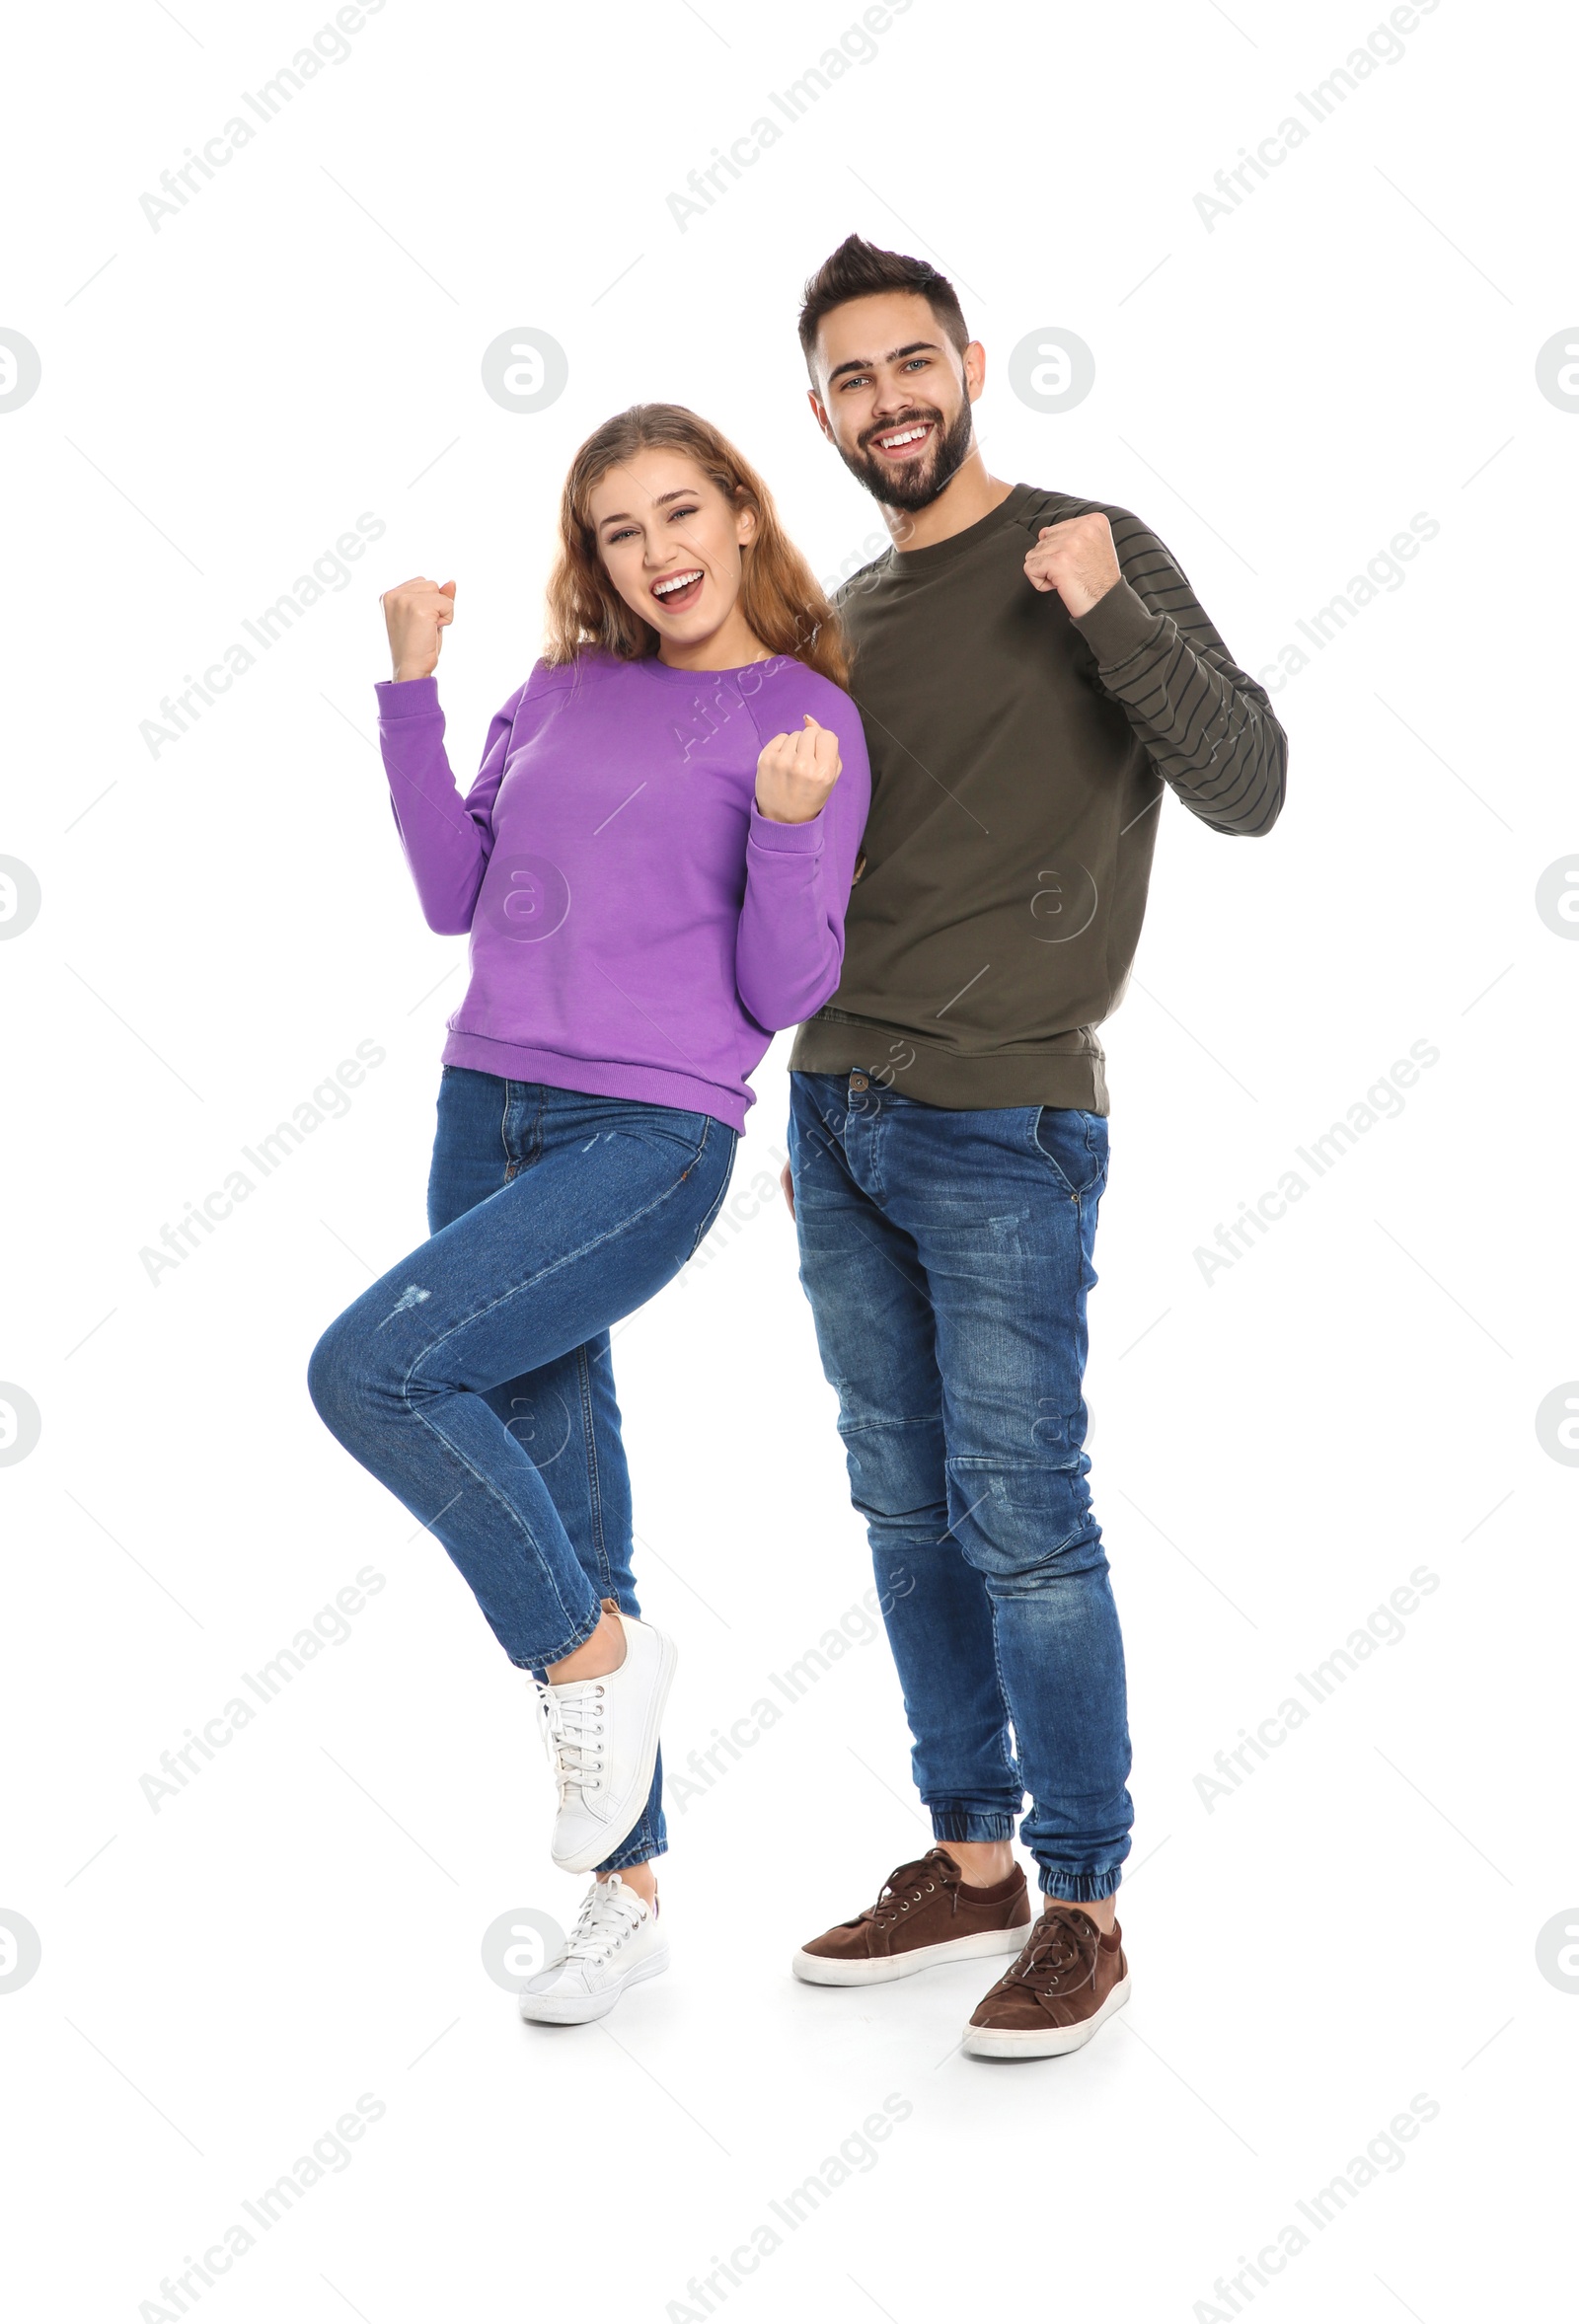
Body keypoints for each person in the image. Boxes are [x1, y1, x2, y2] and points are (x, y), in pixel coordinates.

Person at [783, 237, 1287, 2059]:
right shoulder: (838, 613)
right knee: (899, 1503)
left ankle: (1084, 1902)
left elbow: (1248, 784)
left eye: (911, 362)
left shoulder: (1090, 543)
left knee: (1025, 1516)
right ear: (822, 410)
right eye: (851, 379)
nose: (888, 399)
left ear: (972, 364)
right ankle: (971, 1859)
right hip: (834, 1114)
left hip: (1005, 1114)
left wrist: (1110, 614)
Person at [308, 404, 869, 2026]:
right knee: (558, 1461)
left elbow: (785, 990)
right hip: (483, 1106)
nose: (657, 553)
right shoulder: (559, 688)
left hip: (653, 1131)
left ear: (745, 520)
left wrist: (783, 818)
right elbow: (450, 891)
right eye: (620, 530)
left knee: (376, 1376)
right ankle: (626, 1894)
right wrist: (409, 689)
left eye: (682, 513)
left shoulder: (806, 714)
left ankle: (591, 1663)